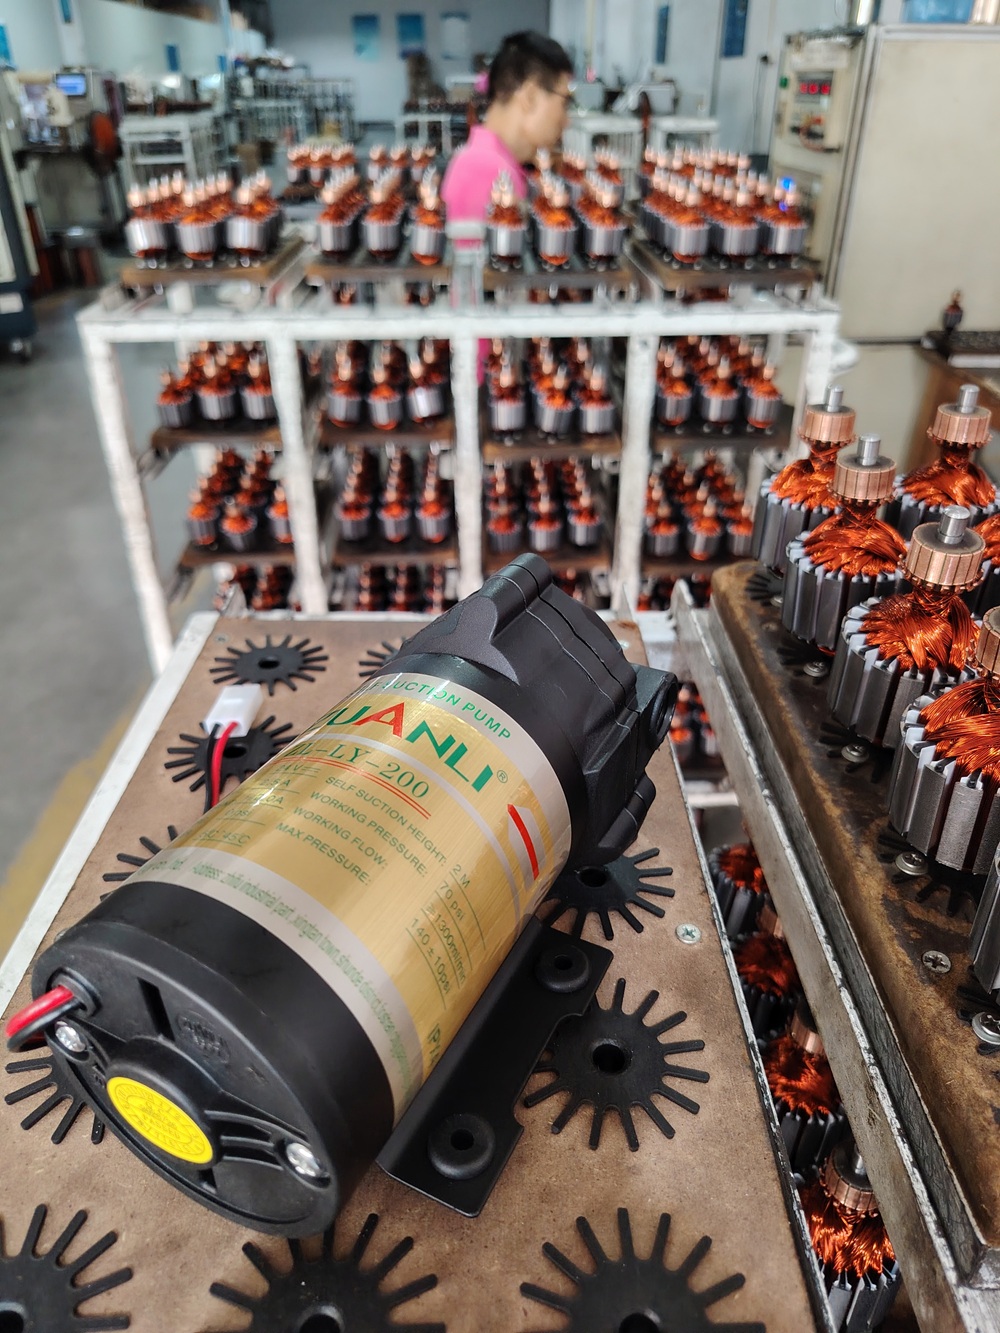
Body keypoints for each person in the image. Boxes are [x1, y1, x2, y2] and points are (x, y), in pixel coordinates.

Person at [441, 31, 574, 224]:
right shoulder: (488, 172)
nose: (566, 120)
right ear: (530, 96)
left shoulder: (491, 162)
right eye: (564, 103)